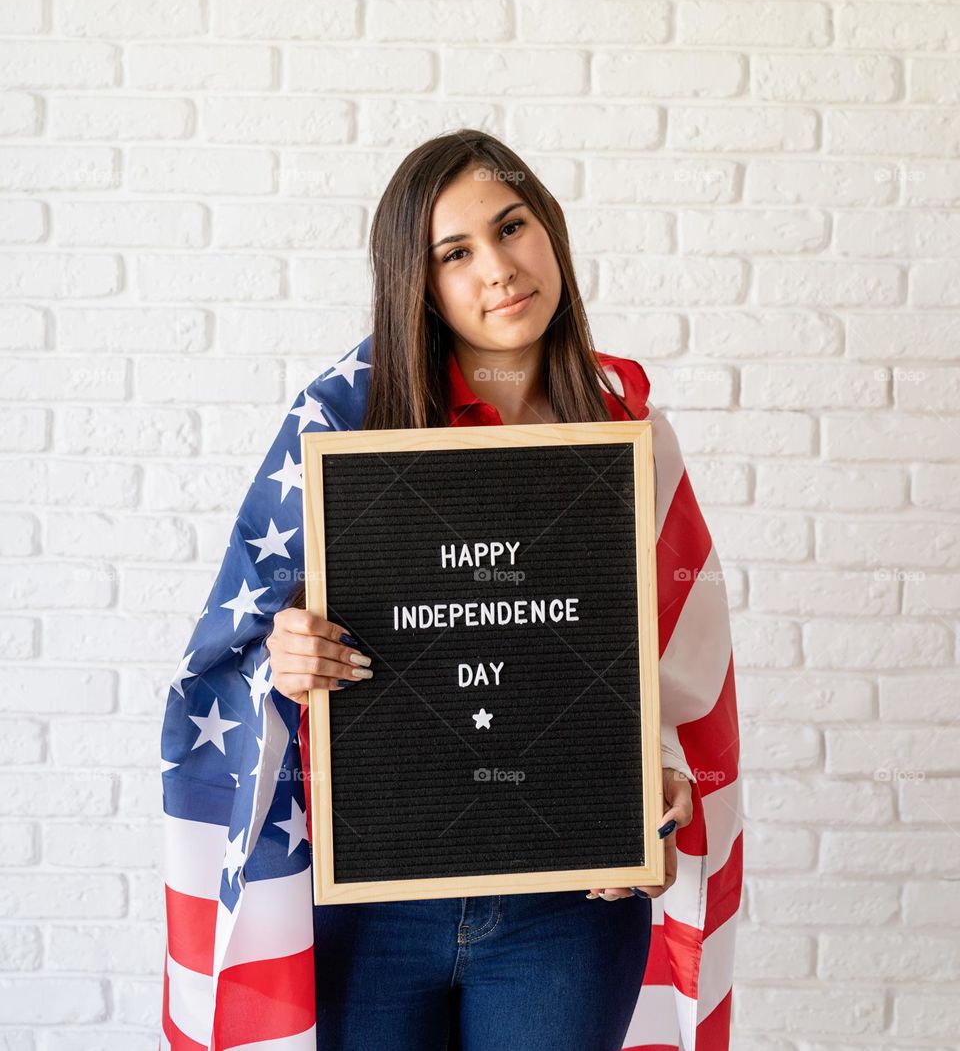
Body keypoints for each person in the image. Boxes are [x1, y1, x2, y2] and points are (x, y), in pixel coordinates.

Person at [159, 130, 741, 1051]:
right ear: (417, 284)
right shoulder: (343, 422)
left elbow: (673, 667)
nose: (501, 270)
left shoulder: (627, 428)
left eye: (513, 228)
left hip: (568, 908)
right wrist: (284, 654)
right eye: (456, 254)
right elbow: (231, 653)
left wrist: (654, 779)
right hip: (370, 905)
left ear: (549, 229)